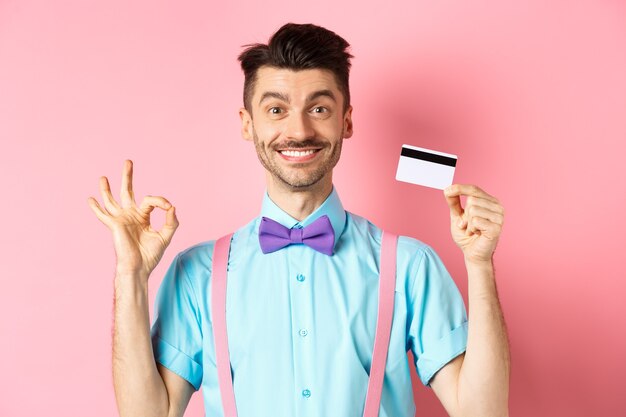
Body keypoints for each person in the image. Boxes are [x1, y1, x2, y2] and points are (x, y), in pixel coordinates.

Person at [88, 23, 509, 417]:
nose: (299, 130)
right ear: (247, 124)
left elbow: (481, 412)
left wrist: (480, 264)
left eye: (320, 108)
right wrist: (130, 275)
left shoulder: (411, 265)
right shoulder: (196, 272)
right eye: (276, 110)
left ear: (346, 121)